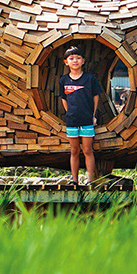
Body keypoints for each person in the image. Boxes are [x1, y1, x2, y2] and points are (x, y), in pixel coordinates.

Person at [59, 46, 108, 188]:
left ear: (83, 61)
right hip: (72, 121)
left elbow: (95, 97)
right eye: (71, 58)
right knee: (74, 150)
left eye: (78, 58)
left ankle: (90, 180)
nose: (75, 61)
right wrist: (69, 113)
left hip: (87, 120)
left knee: (87, 150)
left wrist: (92, 115)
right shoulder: (64, 80)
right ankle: (74, 180)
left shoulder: (89, 79)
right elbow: (64, 98)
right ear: (66, 62)